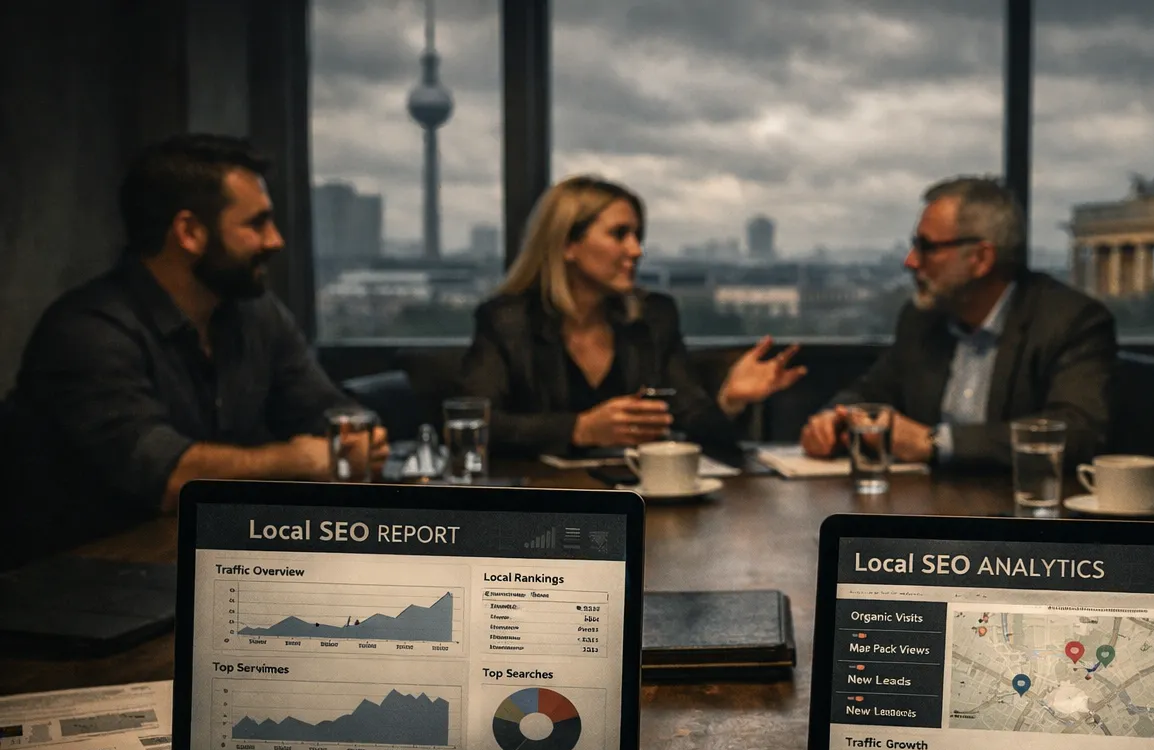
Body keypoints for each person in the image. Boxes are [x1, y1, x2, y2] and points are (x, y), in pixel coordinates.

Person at [7, 133, 381, 560]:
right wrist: (298, 460)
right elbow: (168, 476)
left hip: (202, 565)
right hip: (79, 589)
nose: (275, 241)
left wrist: (359, 435)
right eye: (256, 224)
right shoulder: (87, 332)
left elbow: (325, 412)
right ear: (189, 232)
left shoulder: (254, 313)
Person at [460, 175, 806, 459]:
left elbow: (691, 419)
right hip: (543, 507)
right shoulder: (507, 321)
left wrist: (730, 400)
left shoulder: (654, 316)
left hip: (641, 507)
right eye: (619, 234)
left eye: (637, 236)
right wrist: (579, 429)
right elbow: (475, 424)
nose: (636, 250)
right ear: (567, 244)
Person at [800, 176, 1116, 471]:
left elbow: (1077, 432)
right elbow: (873, 390)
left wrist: (934, 444)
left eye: (926, 247)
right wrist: (835, 419)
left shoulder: (1070, 322)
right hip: (928, 511)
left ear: (980, 259)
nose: (910, 261)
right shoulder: (922, 319)